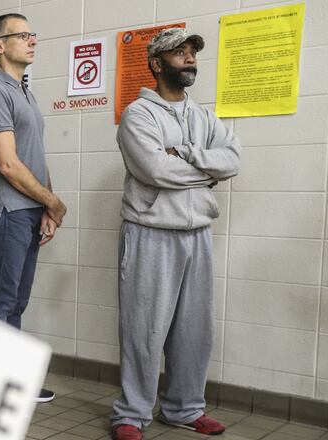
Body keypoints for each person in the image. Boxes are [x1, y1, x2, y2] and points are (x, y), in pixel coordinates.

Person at [110, 28, 241, 439]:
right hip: (150, 233)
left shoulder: (204, 116)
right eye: (179, 54)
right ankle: (130, 415)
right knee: (144, 328)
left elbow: (233, 159)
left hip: (198, 233)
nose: (189, 59)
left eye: (191, 53)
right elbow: (154, 170)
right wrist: (206, 174)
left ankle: (184, 409)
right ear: (156, 64)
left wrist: (186, 154)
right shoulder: (138, 115)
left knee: (194, 329)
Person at [0, 13, 67, 403]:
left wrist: (48, 205)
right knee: (1, 301)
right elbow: (8, 164)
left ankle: (10, 381)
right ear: (0, 45)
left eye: (33, 34)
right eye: (23, 35)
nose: (32, 40)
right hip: (7, 211)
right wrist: (53, 202)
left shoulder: (24, 92)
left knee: (17, 300)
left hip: (28, 210)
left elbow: (35, 157)